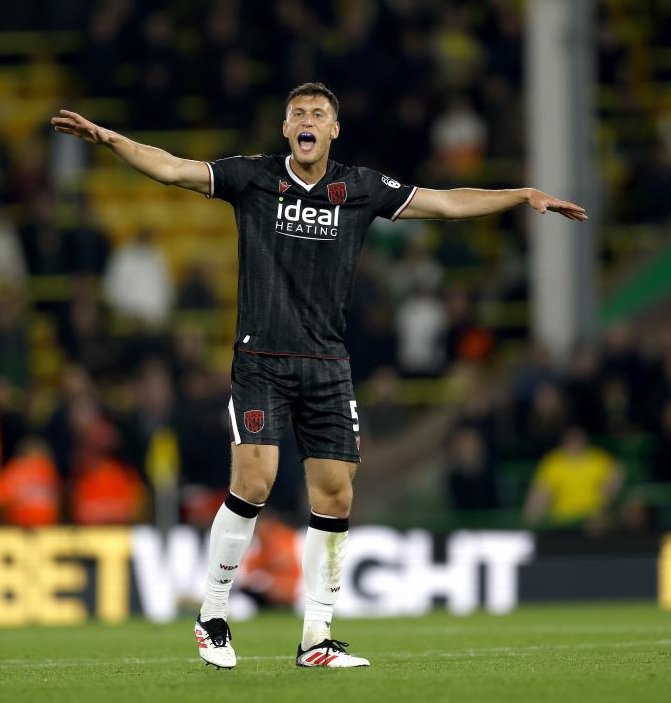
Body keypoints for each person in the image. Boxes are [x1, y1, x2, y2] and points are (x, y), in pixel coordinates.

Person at [51, 82, 586, 670]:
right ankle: (212, 615)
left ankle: (316, 639)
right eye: (298, 113)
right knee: (255, 481)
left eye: (319, 114)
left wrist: (521, 195)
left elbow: (445, 202)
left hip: (328, 365)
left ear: (334, 130)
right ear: (286, 129)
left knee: (336, 493)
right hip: (262, 360)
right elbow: (174, 169)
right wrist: (108, 138)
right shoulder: (253, 177)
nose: (307, 119)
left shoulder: (360, 188)